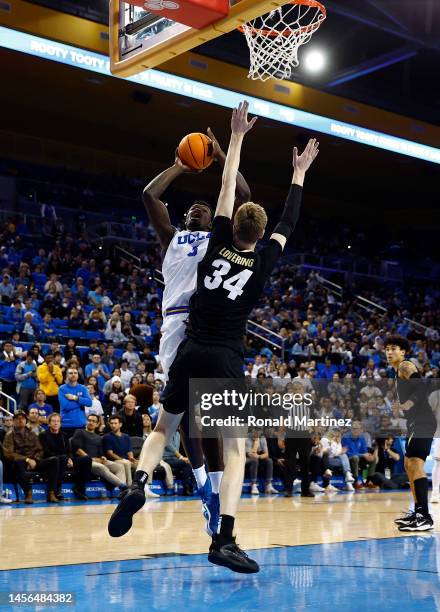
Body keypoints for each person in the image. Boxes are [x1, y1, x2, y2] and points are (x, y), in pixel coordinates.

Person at [109, 101, 319, 573]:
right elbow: (263, 212)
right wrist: (292, 172)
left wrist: (226, 149)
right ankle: (217, 514)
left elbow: (235, 191)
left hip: (191, 337)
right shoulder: (192, 240)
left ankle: (161, 485)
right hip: (202, 336)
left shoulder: (215, 241)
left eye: (207, 208)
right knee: (214, 434)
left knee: (175, 422)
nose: (201, 209)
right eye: (195, 209)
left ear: (222, 223)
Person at [386, 335, 437, 531]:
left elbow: (421, 387)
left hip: (423, 422)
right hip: (415, 422)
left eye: (393, 348)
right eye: (387, 349)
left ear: (403, 352)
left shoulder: (405, 366)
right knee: (409, 464)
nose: (389, 352)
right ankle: (418, 512)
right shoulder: (397, 372)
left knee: (415, 463)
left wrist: (406, 404)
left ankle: (424, 516)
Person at [2, 411, 58, 504]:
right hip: (19, 462)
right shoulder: (9, 435)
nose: (20, 420)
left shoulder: (32, 434)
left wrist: (35, 460)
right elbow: (9, 453)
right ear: (14, 421)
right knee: (18, 463)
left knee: (54, 460)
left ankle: (51, 493)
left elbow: (40, 450)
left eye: (23, 418)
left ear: (26, 420)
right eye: (18, 419)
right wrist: (27, 460)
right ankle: (28, 493)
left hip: (34, 461)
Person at [39, 413, 92, 501]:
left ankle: (79, 488)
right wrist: (66, 458)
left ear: (60, 424)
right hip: (50, 460)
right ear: (49, 424)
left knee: (86, 459)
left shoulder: (64, 435)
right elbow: (46, 452)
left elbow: (68, 451)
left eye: (58, 421)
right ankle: (57, 491)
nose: (56, 423)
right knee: (61, 459)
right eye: (53, 421)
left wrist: (70, 459)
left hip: (65, 459)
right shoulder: (43, 435)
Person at [71, 414, 128, 493]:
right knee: (102, 468)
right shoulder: (80, 432)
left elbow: (101, 453)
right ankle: (123, 486)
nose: (91, 422)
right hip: (85, 462)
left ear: (97, 424)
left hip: (97, 460)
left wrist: (103, 457)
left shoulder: (99, 437)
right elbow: (77, 449)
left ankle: (121, 492)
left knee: (119, 467)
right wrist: (90, 458)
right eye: (89, 420)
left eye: (93, 421)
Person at [103, 415, 137, 485]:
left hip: (126, 460)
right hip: (114, 461)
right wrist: (122, 459)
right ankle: (129, 486)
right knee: (126, 463)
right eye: (111, 423)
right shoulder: (107, 437)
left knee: (142, 464)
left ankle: (146, 486)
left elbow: (129, 451)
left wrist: (131, 458)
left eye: (115, 423)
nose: (113, 425)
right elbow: (110, 454)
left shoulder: (126, 436)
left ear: (120, 424)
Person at [58, 368, 92, 439]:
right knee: (68, 449)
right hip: (66, 424)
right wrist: (81, 402)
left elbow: (89, 402)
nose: (73, 375)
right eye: (70, 373)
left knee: (80, 449)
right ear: (67, 375)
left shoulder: (83, 388)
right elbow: (66, 406)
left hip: (80, 424)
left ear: (78, 375)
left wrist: (75, 398)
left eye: (75, 373)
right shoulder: (62, 389)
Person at [342, 422, 377, 489]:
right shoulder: (345, 438)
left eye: (357, 429)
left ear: (361, 430)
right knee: (355, 458)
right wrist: (362, 455)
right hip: (349, 459)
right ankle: (355, 482)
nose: (355, 430)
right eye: (353, 429)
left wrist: (368, 456)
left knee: (373, 458)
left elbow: (365, 451)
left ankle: (368, 482)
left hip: (360, 458)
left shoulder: (362, 438)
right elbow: (347, 453)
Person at [245, 431, 278, 495]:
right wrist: (256, 442)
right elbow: (250, 455)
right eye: (255, 430)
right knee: (254, 460)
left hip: (258, 457)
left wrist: (259, 456)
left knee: (269, 461)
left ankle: (269, 485)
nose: (257, 432)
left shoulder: (262, 438)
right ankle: (253, 485)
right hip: (247, 459)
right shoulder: (247, 438)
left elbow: (266, 454)